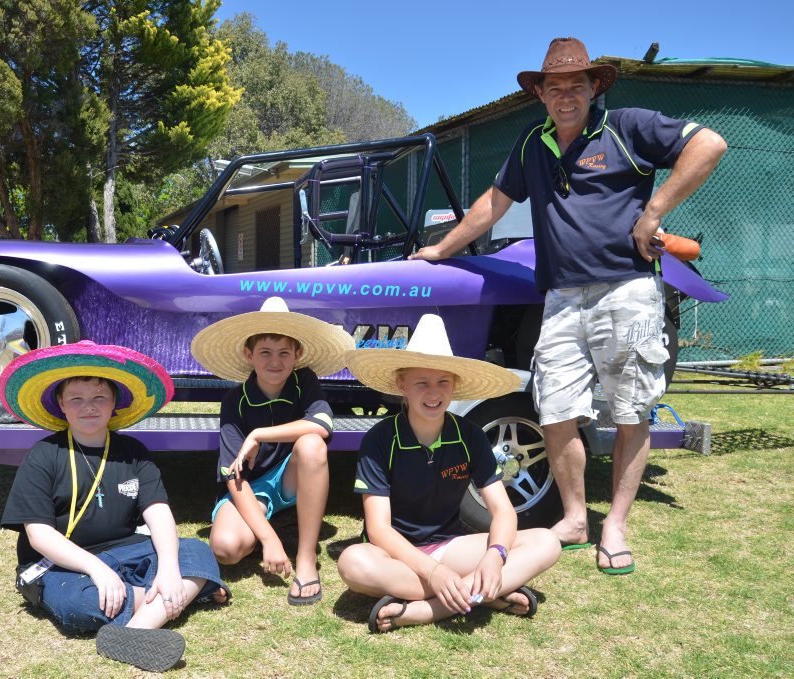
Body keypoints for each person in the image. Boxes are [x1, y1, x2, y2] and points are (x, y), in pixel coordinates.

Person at [412, 37, 727, 575]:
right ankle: (577, 517)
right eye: (554, 87)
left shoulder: (627, 127)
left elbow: (710, 145)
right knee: (555, 410)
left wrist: (653, 213)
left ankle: (617, 527)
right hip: (559, 298)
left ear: (592, 88)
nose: (565, 96)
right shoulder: (532, 143)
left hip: (626, 290)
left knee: (630, 412)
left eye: (575, 85)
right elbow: (493, 202)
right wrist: (441, 250)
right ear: (540, 93)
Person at [0, 340, 229, 672]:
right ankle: (182, 594)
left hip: (126, 547)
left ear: (114, 404)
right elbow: (38, 536)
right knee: (78, 603)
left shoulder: (133, 450)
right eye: (76, 399)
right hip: (63, 563)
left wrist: (167, 566)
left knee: (195, 550)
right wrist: (96, 569)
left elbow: (158, 511)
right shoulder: (44, 455)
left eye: (99, 398)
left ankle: (133, 631)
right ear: (61, 404)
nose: (88, 407)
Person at [338, 313, 561, 633]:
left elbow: (504, 512)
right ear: (402, 385)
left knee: (547, 542)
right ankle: (484, 594)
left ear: (454, 385)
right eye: (422, 382)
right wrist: (433, 572)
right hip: (394, 556)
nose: (433, 392)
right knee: (352, 563)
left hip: (450, 548)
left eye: (443, 381)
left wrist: (495, 558)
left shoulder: (469, 435)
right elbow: (379, 530)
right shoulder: (380, 439)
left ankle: (427, 610)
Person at [190, 296, 354, 605]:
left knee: (312, 445)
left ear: (297, 354)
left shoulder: (304, 381)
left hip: (290, 477)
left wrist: (259, 434)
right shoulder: (234, 401)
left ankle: (306, 559)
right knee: (225, 549)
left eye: (283, 352)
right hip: (249, 488)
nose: (274, 361)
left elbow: (323, 424)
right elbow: (233, 475)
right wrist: (270, 541)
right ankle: (268, 530)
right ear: (249, 355)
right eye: (265, 352)